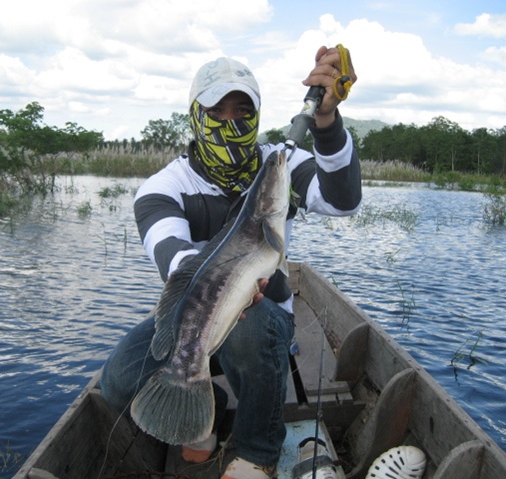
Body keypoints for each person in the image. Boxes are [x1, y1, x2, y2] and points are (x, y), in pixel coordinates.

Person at [100, 45, 361, 479]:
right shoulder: (161, 188)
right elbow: (176, 261)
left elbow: (343, 201)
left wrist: (327, 122)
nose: (231, 121)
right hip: (193, 323)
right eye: (216, 110)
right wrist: (232, 282)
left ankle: (259, 449)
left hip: (263, 324)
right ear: (195, 114)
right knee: (119, 380)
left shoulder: (279, 162)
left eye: (242, 111)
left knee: (253, 318)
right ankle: (208, 408)